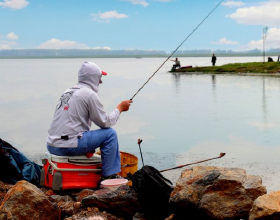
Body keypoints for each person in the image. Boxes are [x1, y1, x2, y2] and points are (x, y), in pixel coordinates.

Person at [46, 61, 132, 181]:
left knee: (91, 135)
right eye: (99, 77)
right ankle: (109, 176)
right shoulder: (89, 94)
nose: (101, 81)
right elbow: (105, 122)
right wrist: (120, 108)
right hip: (67, 146)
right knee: (110, 134)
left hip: (52, 145)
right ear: (92, 78)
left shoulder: (68, 91)